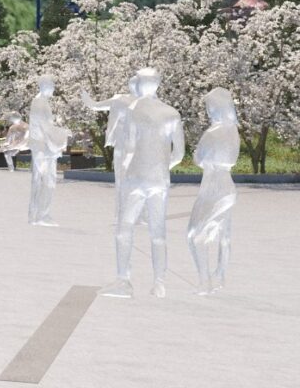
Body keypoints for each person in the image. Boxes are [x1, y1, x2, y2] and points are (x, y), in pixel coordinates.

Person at [98, 68, 185, 297]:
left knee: (124, 229)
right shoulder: (172, 113)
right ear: (157, 83)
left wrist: (127, 169)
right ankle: (159, 282)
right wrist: (159, 166)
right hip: (159, 180)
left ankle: (124, 280)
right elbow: (178, 154)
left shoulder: (133, 110)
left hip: (136, 178)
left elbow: (129, 147)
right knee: (158, 232)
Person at [185, 88, 239, 295]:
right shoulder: (233, 130)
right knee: (222, 235)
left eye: (210, 107)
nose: (208, 111)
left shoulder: (214, 132)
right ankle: (219, 277)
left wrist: (202, 156)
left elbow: (199, 158)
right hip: (227, 186)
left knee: (194, 234)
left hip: (213, 187)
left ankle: (204, 281)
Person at [24, 76, 69, 227]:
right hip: (42, 147)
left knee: (40, 181)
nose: (54, 89)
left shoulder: (40, 102)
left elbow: (46, 125)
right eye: (52, 85)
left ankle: (36, 215)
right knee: (47, 181)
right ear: (45, 85)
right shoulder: (39, 102)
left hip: (42, 146)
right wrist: (61, 136)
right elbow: (44, 127)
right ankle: (41, 215)